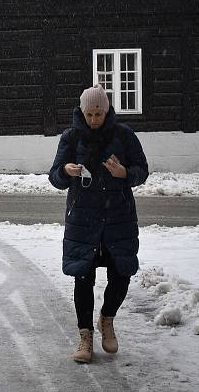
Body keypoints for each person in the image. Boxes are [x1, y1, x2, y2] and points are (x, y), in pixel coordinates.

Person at [48, 84, 149, 364]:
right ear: (82, 111)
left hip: (118, 219)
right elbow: (54, 177)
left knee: (122, 273)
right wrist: (66, 171)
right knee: (83, 277)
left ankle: (107, 319)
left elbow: (142, 170)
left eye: (99, 114)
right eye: (89, 114)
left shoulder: (124, 135)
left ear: (107, 111)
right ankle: (85, 336)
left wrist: (124, 172)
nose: (94, 119)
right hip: (83, 220)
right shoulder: (70, 138)